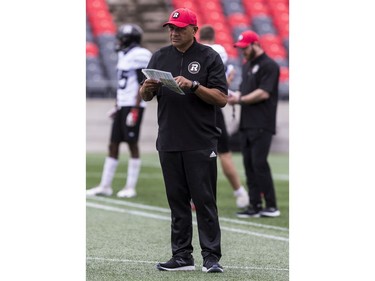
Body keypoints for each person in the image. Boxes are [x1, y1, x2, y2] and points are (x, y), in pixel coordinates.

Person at [139, 8, 227, 273]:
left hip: (200, 140)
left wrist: (195, 86)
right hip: (168, 139)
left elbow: (222, 99)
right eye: (171, 28)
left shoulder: (209, 57)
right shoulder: (160, 56)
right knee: (177, 202)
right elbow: (145, 98)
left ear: (194, 30)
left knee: (204, 201)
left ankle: (211, 258)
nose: (173, 33)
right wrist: (146, 89)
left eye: (179, 28)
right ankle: (181, 256)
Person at [86, 24, 152, 198]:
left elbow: (142, 83)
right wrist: (116, 105)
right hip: (123, 104)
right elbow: (122, 85)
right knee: (113, 144)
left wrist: (136, 110)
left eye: (122, 38)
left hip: (133, 105)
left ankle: (130, 186)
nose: (119, 41)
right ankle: (105, 185)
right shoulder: (124, 55)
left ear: (130, 40)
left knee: (132, 144)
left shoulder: (140, 55)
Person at [228, 30, 281, 218]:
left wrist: (240, 99)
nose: (242, 51)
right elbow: (244, 90)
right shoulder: (247, 65)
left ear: (255, 44)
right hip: (246, 123)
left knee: (259, 163)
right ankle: (255, 205)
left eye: (245, 47)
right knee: (249, 164)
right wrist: (233, 95)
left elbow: (263, 93)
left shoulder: (270, 65)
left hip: (262, 122)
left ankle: (272, 205)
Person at [198, 24, 249, 209]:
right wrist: (227, 82)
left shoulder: (194, 51)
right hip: (212, 107)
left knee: (195, 155)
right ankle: (240, 192)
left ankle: (196, 196)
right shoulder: (218, 50)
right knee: (224, 153)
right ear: (214, 36)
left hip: (194, 108)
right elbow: (220, 83)